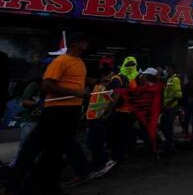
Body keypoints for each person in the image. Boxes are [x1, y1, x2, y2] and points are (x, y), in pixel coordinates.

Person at [37, 32, 89, 194]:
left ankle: (49, 181)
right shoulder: (60, 61)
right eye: (83, 42)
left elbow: (74, 82)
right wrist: (76, 93)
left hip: (72, 110)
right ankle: (45, 184)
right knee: (53, 148)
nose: (86, 45)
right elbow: (47, 85)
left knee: (64, 145)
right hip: (57, 110)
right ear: (74, 45)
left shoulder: (79, 62)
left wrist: (94, 82)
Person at [85, 63, 118, 178]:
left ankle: (104, 161)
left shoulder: (111, 81)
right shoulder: (101, 83)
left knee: (93, 142)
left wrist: (107, 111)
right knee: (93, 142)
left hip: (98, 117)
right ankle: (100, 162)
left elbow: (115, 96)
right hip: (94, 116)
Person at [108, 56, 139, 163]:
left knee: (120, 134)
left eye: (131, 65)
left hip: (122, 111)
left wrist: (108, 109)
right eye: (128, 65)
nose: (130, 67)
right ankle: (125, 153)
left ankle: (120, 155)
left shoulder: (121, 78)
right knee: (125, 134)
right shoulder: (133, 79)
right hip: (127, 111)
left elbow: (115, 96)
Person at [9, 76, 41, 168]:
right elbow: (24, 102)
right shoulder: (34, 85)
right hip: (32, 119)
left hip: (43, 120)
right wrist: (38, 103)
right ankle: (14, 166)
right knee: (25, 145)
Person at [161, 64, 182, 153]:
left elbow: (178, 95)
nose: (166, 71)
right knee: (165, 126)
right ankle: (168, 145)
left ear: (172, 69)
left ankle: (170, 146)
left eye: (167, 69)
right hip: (167, 107)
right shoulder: (169, 79)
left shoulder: (175, 79)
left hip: (171, 107)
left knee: (168, 127)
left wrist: (168, 105)